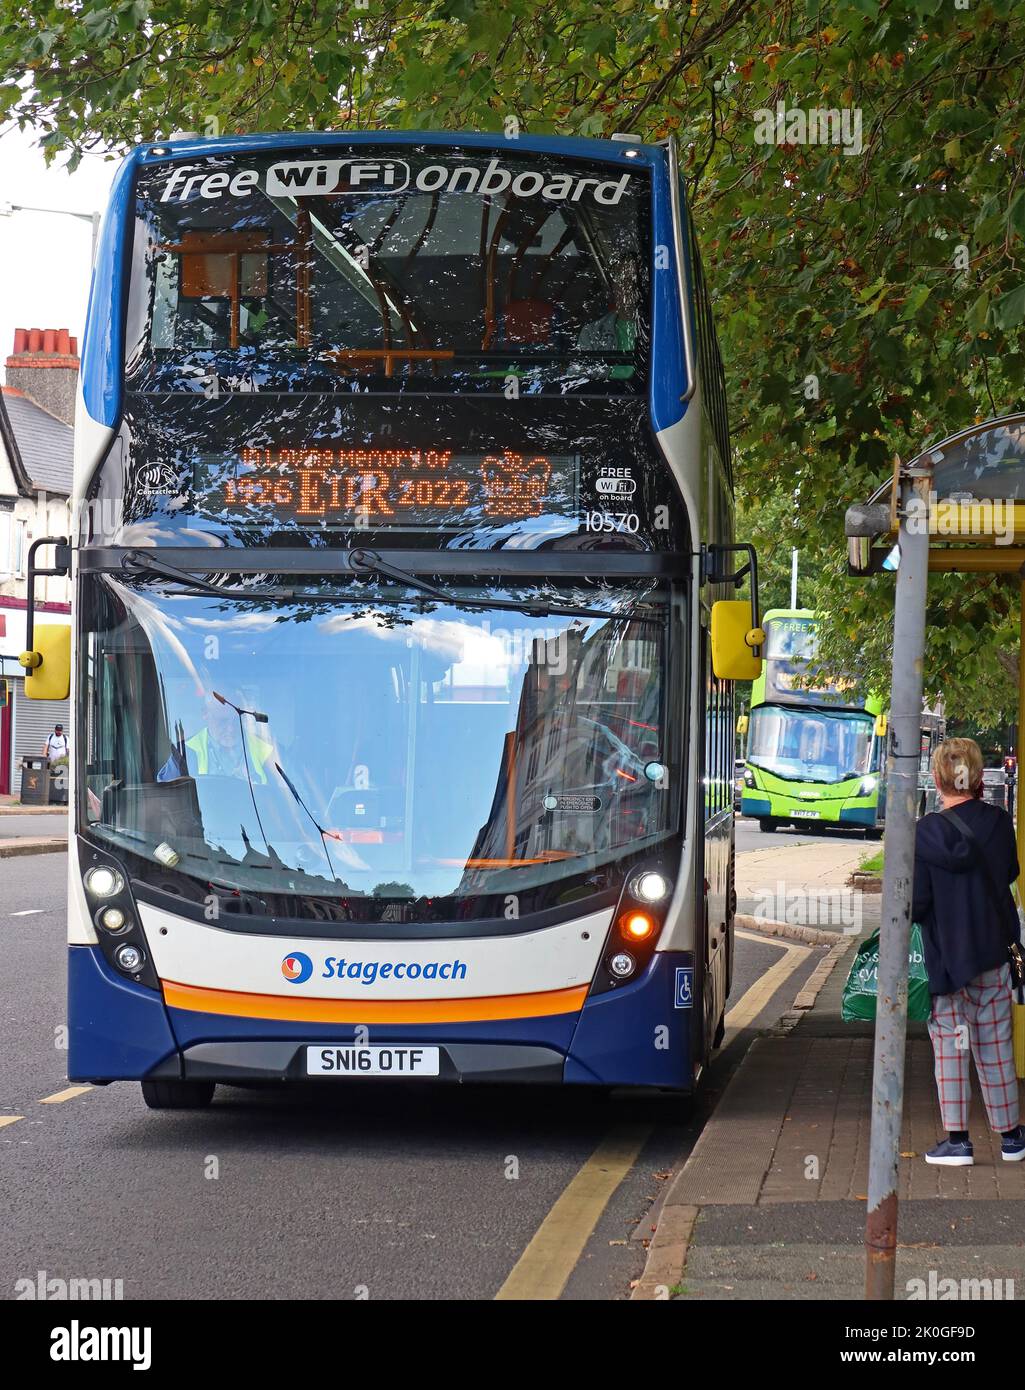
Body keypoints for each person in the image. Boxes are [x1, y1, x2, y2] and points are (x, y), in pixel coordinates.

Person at [912, 737, 1025, 1165]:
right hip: (993, 954)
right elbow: (1008, 874)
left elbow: (918, 902)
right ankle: (1012, 1137)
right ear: (976, 776)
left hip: (947, 959)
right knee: (995, 1043)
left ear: (938, 778)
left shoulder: (925, 833)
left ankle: (957, 1140)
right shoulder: (997, 823)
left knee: (952, 1044)